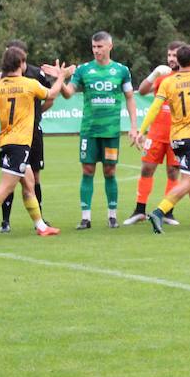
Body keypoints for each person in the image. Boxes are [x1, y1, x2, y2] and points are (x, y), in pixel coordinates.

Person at [0, 46, 69, 239]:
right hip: (19, 144)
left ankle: (41, 226)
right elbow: (52, 95)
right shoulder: (30, 84)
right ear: (21, 63)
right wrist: (61, 77)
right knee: (7, 186)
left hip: (6, 142)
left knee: (29, 184)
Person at [137, 44, 190, 232]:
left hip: (175, 139)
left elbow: (155, 108)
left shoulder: (168, 82)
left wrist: (142, 130)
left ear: (178, 61)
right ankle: (159, 212)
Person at [62, 31, 138, 229]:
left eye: (100, 47)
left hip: (111, 132)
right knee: (87, 170)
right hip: (89, 131)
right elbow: (68, 93)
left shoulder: (121, 71)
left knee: (109, 171)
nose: (96, 50)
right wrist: (60, 79)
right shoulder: (84, 70)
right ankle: (85, 218)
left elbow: (130, 98)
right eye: (94, 47)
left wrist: (133, 126)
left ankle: (112, 215)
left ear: (109, 47)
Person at [0, 40, 55, 232]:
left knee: (34, 175)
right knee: (9, 178)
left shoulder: (36, 74)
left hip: (32, 132)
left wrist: (36, 114)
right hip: (12, 134)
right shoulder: (1, 77)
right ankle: (5, 221)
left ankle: (40, 220)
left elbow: (50, 97)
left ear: (23, 56)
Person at [128, 41, 184, 227]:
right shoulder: (162, 76)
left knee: (173, 172)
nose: (171, 59)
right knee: (147, 168)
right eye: (169, 55)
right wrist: (154, 74)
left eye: (175, 55)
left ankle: (168, 212)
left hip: (177, 134)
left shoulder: (188, 77)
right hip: (156, 133)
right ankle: (139, 211)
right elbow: (142, 91)